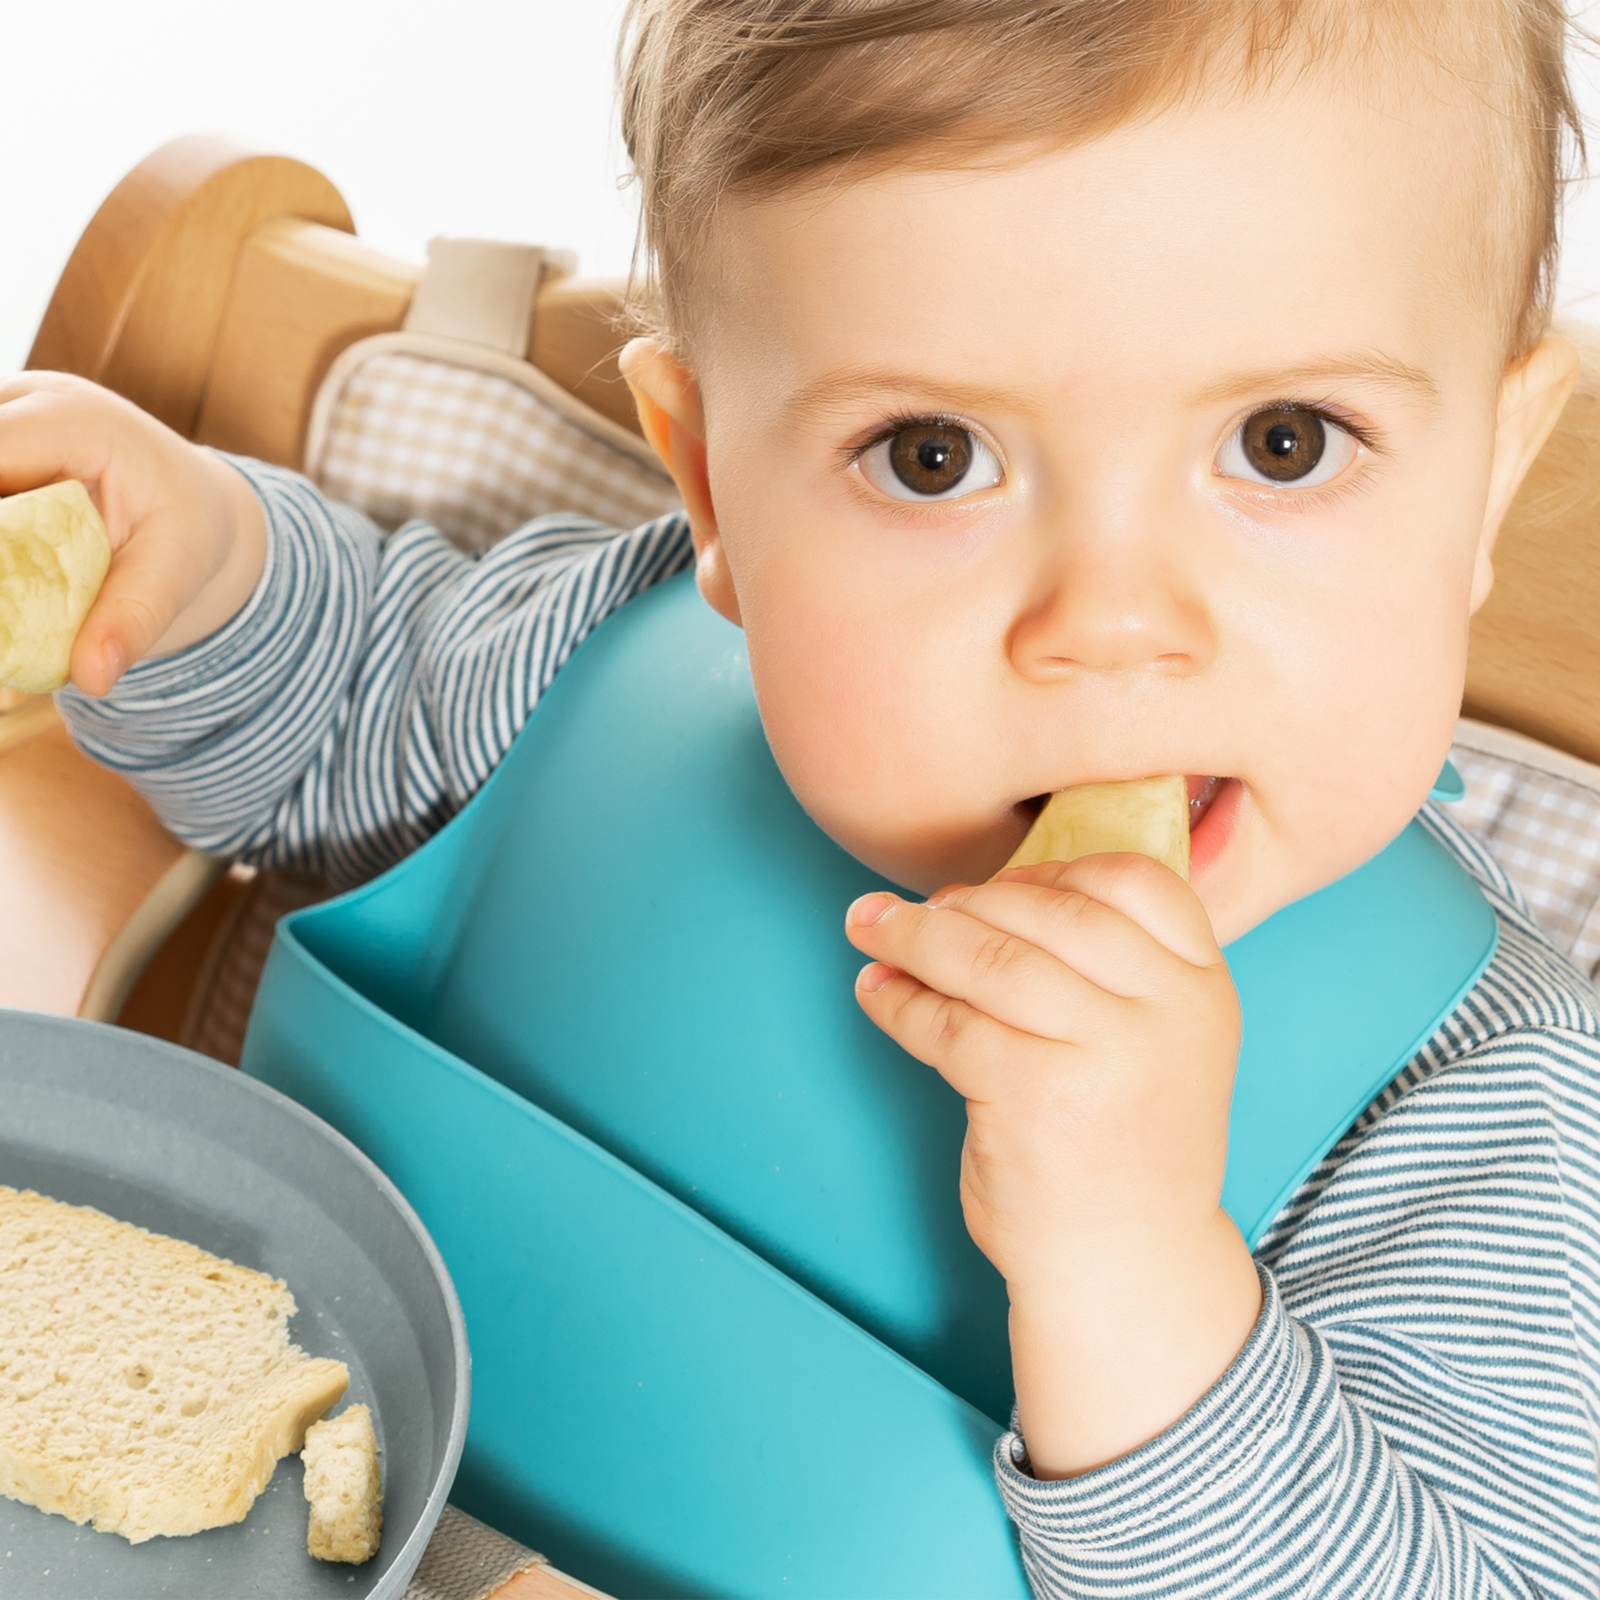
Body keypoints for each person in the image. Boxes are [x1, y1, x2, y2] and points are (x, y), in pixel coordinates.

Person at [3, 0, 1597, 1591]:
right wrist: (193, 574)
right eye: (930, 456)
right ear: (712, 489)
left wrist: (1139, 1272)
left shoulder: (1477, 1109)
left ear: (1489, 482)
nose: (1114, 626)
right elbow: (340, 716)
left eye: (1286, 440)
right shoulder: (602, 666)